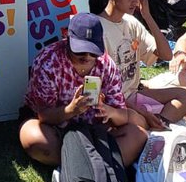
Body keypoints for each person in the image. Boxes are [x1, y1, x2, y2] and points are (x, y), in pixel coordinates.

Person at [19, 12, 148, 168]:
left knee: (138, 134)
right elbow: (43, 115)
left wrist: (109, 111)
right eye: (80, 50)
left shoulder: (107, 65)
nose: (86, 56)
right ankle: (98, 168)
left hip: (96, 130)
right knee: (34, 138)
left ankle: (74, 169)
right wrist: (71, 110)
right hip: (56, 129)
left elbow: (122, 115)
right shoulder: (48, 62)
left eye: (93, 51)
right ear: (67, 38)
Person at [91, 0, 186, 128]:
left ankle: (159, 125)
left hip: (134, 94)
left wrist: (147, 16)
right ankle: (154, 126)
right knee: (138, 120)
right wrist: (142, 112)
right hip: (114, 101)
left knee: (185, 95)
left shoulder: (131, 22)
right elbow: (100, 89)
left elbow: (166, 55)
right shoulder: (97, 27)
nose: (135, 1)